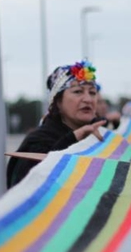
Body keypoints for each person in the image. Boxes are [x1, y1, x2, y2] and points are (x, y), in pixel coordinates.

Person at [6, 60, 105, 188]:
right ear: (58, 101)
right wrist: (72, 138)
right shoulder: (37, 143)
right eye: (78, 92)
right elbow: (27, 190)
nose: (88, 99)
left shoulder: (99, 135)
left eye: (92, 92)